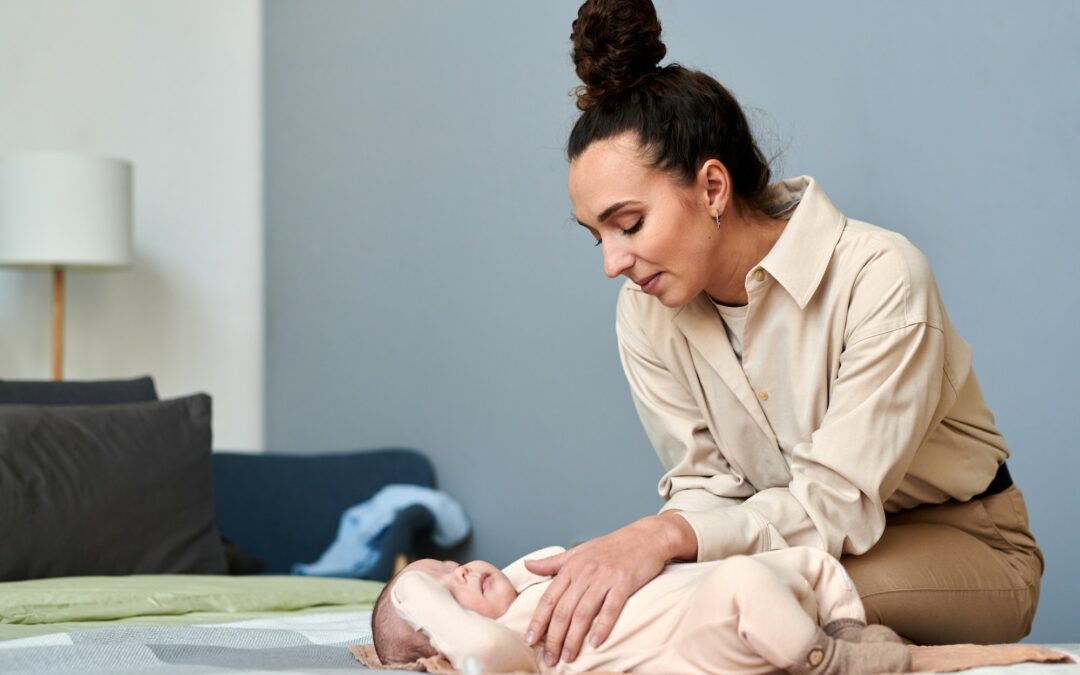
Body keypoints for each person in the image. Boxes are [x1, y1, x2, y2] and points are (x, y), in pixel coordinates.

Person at [522, 0, 1044, 666]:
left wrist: (667, 537)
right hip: (798, 547)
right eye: (595, 236)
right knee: (685, 601)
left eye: (628, 224)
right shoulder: (645, 311)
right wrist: (660, 546)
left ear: (712, 186)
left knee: (750, 605)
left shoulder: (881, 276)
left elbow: (836, 503)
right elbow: (704, 483)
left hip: (966, 540)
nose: (611, 263)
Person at [370, 546, 911, 674]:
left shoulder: (528, 584)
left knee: (810, 558)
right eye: (445, 590)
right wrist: (411, 594)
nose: (458, 571)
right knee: (743, 578)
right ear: (443, 629)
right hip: (706, 629)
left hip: (714, 590)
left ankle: (848, 631)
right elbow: (480, 647)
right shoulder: (514, 647)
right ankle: (828, 661)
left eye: (447, 563)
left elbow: (541, 561)